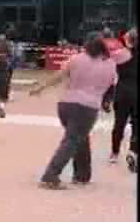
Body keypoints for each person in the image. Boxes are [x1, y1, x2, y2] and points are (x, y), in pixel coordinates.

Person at [31, 35, 116, 189]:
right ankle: (50, 175)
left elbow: (58, 76)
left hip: (65, 103)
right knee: (72, 140)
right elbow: (111, 84)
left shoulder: (76, 58)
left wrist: (41, 87)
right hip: (88, 106)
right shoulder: (110, 64)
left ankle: (82, 175)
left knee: (79, 138)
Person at [109, 28, 137, 172]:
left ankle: (114, 153)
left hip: (122, 92)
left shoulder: (121, 55)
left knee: (119, 124)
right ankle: (134, 150)